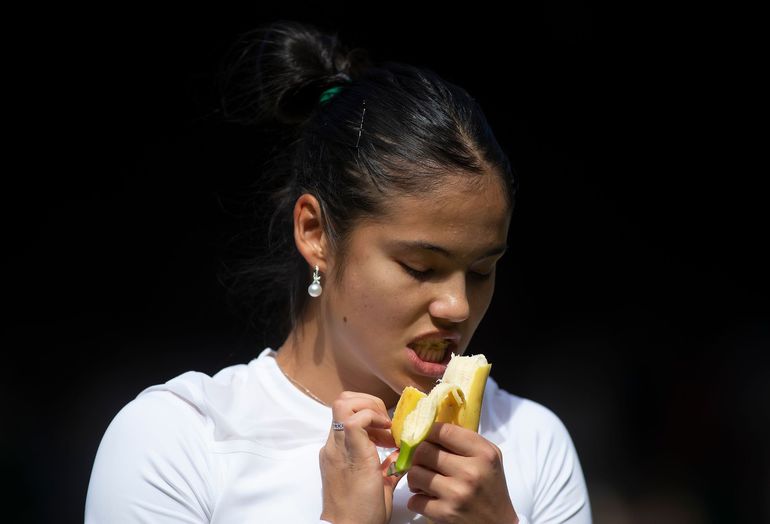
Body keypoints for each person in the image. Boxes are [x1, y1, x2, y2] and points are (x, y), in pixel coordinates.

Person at [85, 19, 592, 524]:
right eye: (420, 266)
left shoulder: (529, 442)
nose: (457, 305)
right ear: (315, 233)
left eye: (482, 270)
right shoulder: (180, 439)